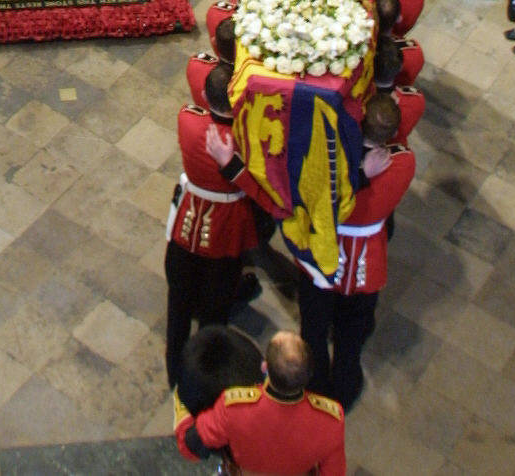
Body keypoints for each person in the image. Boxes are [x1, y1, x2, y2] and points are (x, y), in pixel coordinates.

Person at [295, 94, 415, 411]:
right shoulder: (404, 162)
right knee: (352, 330)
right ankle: (346, 386)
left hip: (326, 248)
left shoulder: (333, 158)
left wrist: (357, 169)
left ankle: (316, 387)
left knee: (314, 329)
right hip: (366, 256)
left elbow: (320, 193)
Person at [164, 59, 261, 388]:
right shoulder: (246, 139)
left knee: (177, 307)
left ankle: (174, 372)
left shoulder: (188, 120)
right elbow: (260, 189)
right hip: (226, 227)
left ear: (205, 95)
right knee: (215, 309)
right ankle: (205, 378)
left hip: (189, 218)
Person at [175, 328, 345, 473]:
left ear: (264, 367)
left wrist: (181, 404)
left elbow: (189, 448)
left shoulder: (233, 408)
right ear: (309, 373)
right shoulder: (331, 420)